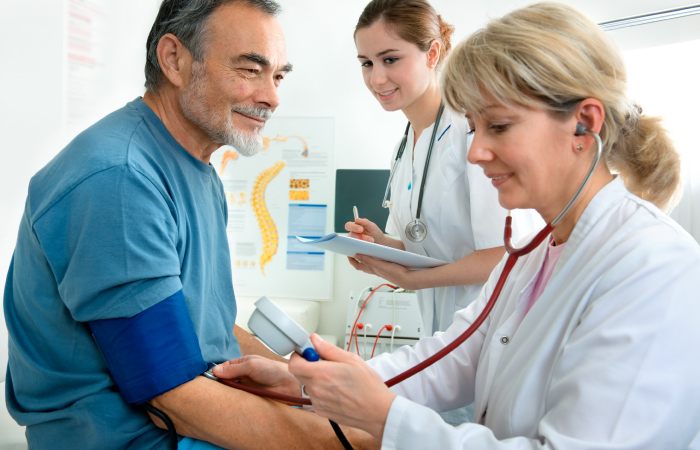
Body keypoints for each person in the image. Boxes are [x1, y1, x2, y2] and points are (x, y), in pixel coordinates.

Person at [214, 3, 700, 448]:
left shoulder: (651, 265)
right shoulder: (533, 251)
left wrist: (388, 419)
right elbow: (452, 357)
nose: (475, 152)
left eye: (500, 127)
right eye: (474, 127)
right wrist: (308, 382)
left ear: (583, 124)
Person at [3, 1, 377, 449]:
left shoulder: (194, 165)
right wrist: (367, 438)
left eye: (277, 76)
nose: (272, 96)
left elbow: (200, 324)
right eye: (250, 69)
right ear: (174, 60)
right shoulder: (121, 179)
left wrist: (301, 378)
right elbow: (173, 398)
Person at [346, 0, 541, 339]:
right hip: (441, 336)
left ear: (432, 53)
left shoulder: (473, 131)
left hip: (497, 330)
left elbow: (509, 252)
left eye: (390, 59)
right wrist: (382, 246)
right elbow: (429, 249)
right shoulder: (404, 147)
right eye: (367, 63)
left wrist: (417, 279)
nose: (377, 78)